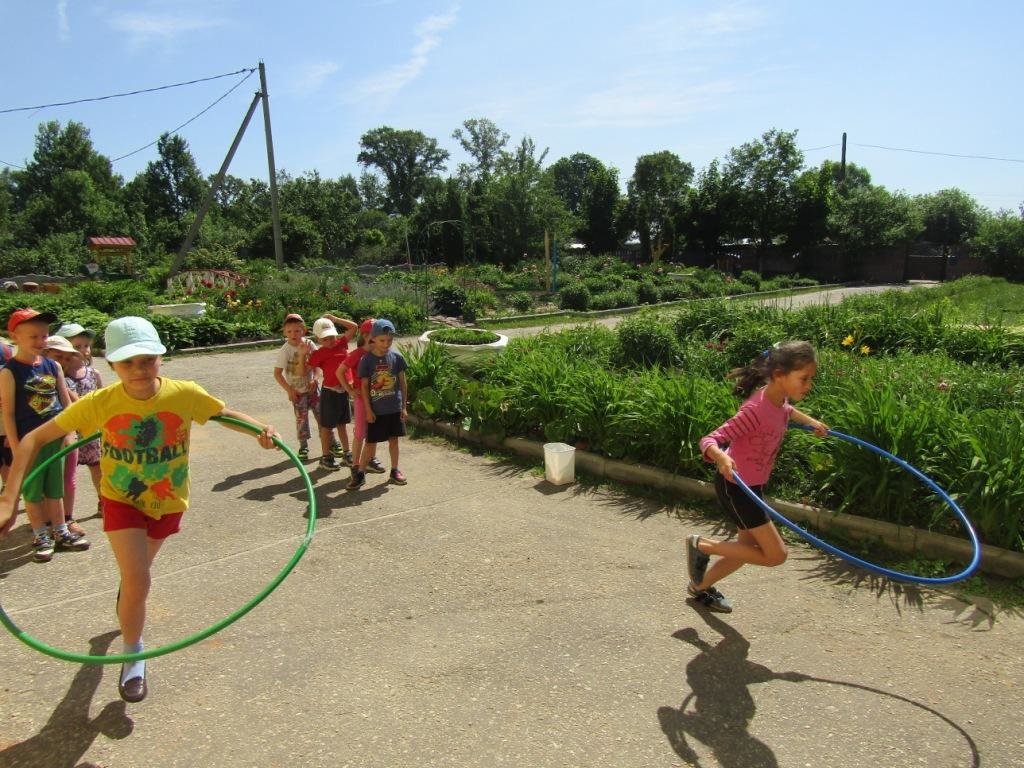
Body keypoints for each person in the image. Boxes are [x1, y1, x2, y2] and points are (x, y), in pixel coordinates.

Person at [0, 316, 279, 703]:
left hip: (168, 501)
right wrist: (7, 500)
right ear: (112, 364)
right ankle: (133, 654)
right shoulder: (101, 402)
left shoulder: (184, 394)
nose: (139, 369)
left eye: (147, 359)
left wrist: (262, 430)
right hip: (121, 500)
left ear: (160, 358)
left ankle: (129, 596)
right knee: (139, 579)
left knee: (136, 578)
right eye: (127, 362)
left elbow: (223, 414)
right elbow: (33, 439)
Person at [687, 341, 828, 613]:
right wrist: (722, 457)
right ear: (779, 375)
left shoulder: (777, 398)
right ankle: (702, 545)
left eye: (811, 378)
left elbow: (786, 411)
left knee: (746, 548)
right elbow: (709, 440)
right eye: (804, 378)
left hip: (752, 486)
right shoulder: (755, 410)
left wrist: (811, 422)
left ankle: (699, 586)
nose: (809, 385)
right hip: (736, 487)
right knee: (776, 555)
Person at [0, 308, 87, 561]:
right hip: (28, 443)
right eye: (33, 336)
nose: (40, 341)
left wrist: (69, 432)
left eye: (44, 335)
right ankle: (40, 535)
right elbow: (8, 414)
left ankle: (60, 530)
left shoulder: (53, 365)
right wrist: (16, 446)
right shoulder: (9, 372)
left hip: (55, 439)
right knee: (33, 491)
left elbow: (66, 403)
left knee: (55, 487)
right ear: (15, 337)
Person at [348, 319, 408, 490]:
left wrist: (404, 407)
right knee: (370, 443)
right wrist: (368, 409)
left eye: (389, 340)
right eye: (382, 340)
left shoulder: (397, 358)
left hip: (394, 408)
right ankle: (360, 473)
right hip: (376, 411)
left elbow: (403, 384)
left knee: (394, 441)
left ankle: (395, 470)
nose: (386, 344)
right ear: (372, 338)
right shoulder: (366, 360)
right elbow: (364, 387)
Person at [43, 335, 90, 536]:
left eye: (67, 358)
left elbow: (71, 403)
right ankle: (48, 521)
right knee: (45, 480)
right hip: (43, 435)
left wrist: (72, 431)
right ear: (45, 354)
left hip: (65, 432)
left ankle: (67, 518)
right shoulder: (34, 375)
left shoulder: (61, 375)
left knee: (68, 478)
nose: (63, 361)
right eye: (58, 356)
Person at [55, 323, 104, 511]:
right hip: (70, 430)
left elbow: (102, 398)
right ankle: (64, 512)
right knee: (66, 473)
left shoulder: (93, 373)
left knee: (98, 467)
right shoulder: (60, 377)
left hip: (91, 430)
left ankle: (103, 502)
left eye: (86, 345)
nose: (83, 350)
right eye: (77, 346)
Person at [307, 315, 357, 471]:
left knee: (342, 424)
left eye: (332, 336)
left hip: (344, 391)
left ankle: (347, 453)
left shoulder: (341, 343)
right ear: (318, 339)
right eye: (325, 339)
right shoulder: (318, 353)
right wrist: (313, 379)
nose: (330, 341)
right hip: (330, 392)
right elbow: (308, 367)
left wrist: (335, 319)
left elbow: (354, 327)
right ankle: (326, 457)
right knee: (327, 427)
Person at [338, 319, 385, 480]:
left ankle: (370, 459)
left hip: (377, 398)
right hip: (361, 399)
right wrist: (350, 390)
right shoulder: (357, 354)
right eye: (376, 334)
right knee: (359, 434)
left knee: (374, 431)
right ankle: (355, 465)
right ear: (365, 336)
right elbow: (340, 372)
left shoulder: (379, 353)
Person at [273, 313, 319, 461]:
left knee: (322, 416)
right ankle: (303, 446)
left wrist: (316, 378)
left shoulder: (309, 344)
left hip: (313, 390)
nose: (293, 334)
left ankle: (331, 441)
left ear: (303, 330)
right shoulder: (285, 350)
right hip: (298, 392)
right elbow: (277, 374)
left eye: (297, 330)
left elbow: (318, 364)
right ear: (284, 332)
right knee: (301, 420)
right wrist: (289, 389)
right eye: (289, 331)